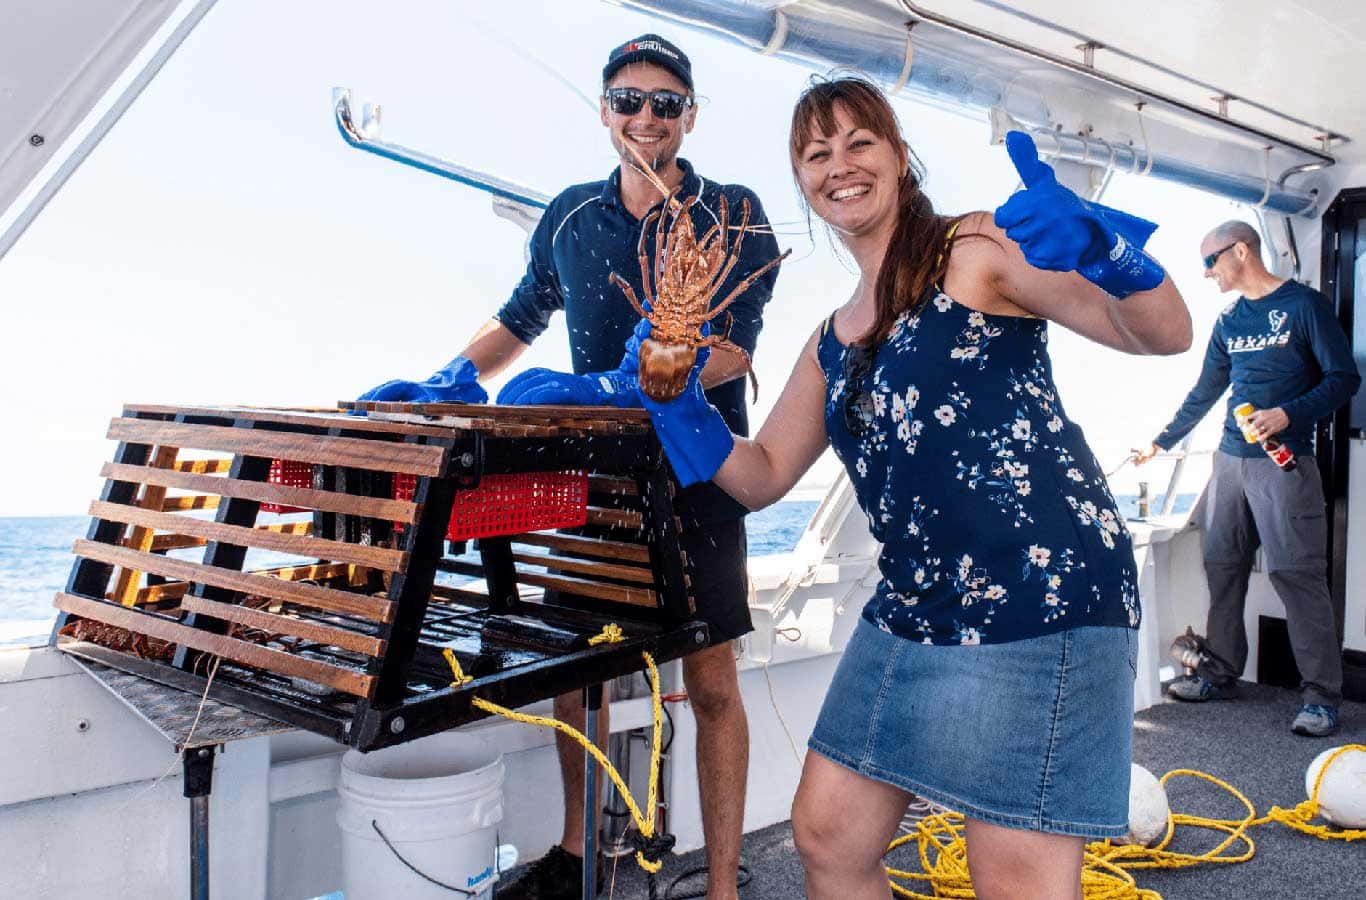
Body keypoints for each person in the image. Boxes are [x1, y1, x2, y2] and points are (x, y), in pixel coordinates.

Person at [639, 77, 1192, 900]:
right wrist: (674, 403)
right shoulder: (831, 339)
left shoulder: (974, 250)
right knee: (827, 835)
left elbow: (1161, 332)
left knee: (1014, 880)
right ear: (802, 181)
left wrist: (1105, 249)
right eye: (816, 153)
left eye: (860, 142)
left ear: (899, 157)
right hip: (912, 606)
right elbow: (760, 477)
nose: (840, 165)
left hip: (1039, 599)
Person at [358, 34, 782, 900]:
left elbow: (737, 349)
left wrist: (663, 378)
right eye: (628, 99)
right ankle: (573, 853)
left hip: (698, 471)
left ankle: (727, 885)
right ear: (605, 110)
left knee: (710, 682)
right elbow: (520, 321)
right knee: (576, 668)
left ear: (690, 116)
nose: (646, 116)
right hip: (596, 481)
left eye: (666, 102)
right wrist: (448, 381)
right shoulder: (569, 217)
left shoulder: (734, 212)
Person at [1133, 220, 1360, 737]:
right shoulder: (1230, 321)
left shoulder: (1304, 307)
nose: (1207, 273)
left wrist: (1288, 414)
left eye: (1210, 261)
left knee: (1296, 577)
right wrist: (1161, 442)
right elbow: (1205, 391)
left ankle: (1322, 697)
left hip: (1285, 462)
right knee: (1224, 567)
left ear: (1240, 251)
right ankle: (1220, 672)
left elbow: (1344, 377)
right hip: (1230, 461)